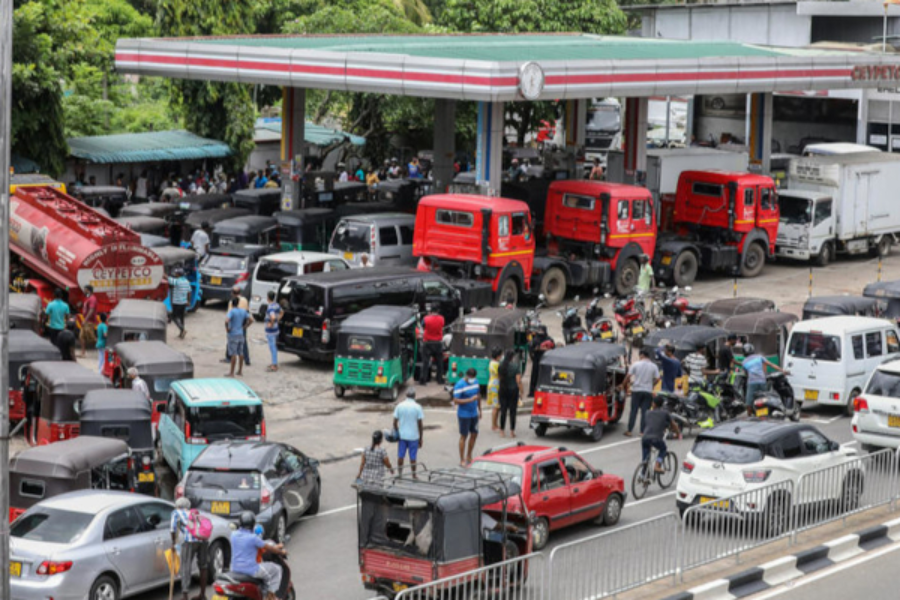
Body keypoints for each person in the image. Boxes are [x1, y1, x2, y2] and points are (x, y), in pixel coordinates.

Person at [230, 511, 285, 600]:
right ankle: (270, 596)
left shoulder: (233, 535)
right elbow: (269, 548)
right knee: (277, 569)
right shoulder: (254, 538)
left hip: (234, 569)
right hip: (251, 570)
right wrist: (281, 552)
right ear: (253, 525)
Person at [170, 497, 211, 600]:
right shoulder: (195, 513)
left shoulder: (176, 512)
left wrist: (173, 542)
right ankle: (202, 594)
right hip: (203, 540)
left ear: (178, 506)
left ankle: (185, 597)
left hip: (189, 541)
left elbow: (172, 529)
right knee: (203, 566)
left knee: (186, 567)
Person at [620, 348, 660, 436]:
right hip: (648, 391)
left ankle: (629, 431)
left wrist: (623, 385)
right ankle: (642, 432)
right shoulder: (654, 366)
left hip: (636, 390)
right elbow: (657, 378)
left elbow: (628, 376)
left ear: (642, 355)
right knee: (645, 412)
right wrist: (652, 385)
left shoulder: (636, 364)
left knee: (633, 411)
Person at [742, 343, 788, 414]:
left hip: (752, 383)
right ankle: (767, 413)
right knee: (765, 399)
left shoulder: (744, 362)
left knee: (748, 404)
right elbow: (771, 364)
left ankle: (749, 416)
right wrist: (783, 371)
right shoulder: (759, 357)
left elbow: (746, 374)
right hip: (762, 382)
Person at [641, 396, 681, 474]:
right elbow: (674, 425)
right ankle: (657, 465)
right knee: (663, 449)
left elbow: (651, 423)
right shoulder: (665, 413)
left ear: (654, 404)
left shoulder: (647, 412)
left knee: (645, 459)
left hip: (645, 438)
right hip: (656, 438)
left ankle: (643, 475)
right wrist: (677, 433)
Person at [453, 368, 481, 467]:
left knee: (474, 434)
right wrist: (469, 400)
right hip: (464, 414)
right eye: (470, 378)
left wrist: (480, 410)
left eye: (473, 378)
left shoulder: (476, 382)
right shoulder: (460, 385)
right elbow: (456, 400)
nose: (472, 379)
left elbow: (478, 396)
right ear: (467, 376)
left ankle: (469, 455)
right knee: (464, 436)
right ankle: (462, 459)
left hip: (474, 414)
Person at [393, 387, 424, 477]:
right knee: (413, 457)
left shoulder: (399, 406)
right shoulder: (418, 407)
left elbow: (394, 422)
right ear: (414, 396)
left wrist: (398, 432)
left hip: (402, 436)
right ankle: (414, 475)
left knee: (400, 456)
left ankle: (400, 474)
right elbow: (420, 425)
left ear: (406, 395)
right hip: (414, 437)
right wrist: (421, 438)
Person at [223, 286, 252, 366]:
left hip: (234, 321)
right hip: (243, 320)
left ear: (232, 293)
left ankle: (229, 357)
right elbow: (248, 312)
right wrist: (246, 325)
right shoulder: (245, 300)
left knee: (231, 341)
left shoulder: (231, 302)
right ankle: (246, 359)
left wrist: (227, 327)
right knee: (243, 341)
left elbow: (228, 317)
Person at [497, 349, 523, 438]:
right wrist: (521, 391)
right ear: (512, 357)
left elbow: (499, 377)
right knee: (513, 411)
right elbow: (518, 381)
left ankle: (502, 430)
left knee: (503, 410)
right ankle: (512, 431)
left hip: (503, 389)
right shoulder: (516, 366)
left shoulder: (501, 366)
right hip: (513, 390)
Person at [419, 305, 445, 385]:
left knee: (425, 362)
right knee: (439, 363)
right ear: (438, 311)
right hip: (438, 343)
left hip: (427, 343)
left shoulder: (426, 318)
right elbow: (442, 325)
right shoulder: (442, 318)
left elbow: (422, 326)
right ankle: (439, 379)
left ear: (430, 311)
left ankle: (423, 380)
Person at [226, 297, 251, 377]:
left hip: (233, 334)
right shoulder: (243, 311)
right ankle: (240, 371)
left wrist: (227, 328)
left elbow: (226, 320)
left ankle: (231, 372)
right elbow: (251, 319)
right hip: (241, 333)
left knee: (233, 353)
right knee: (240, 352)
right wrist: (245, 326)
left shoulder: (232, 311)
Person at [528, 327, 553, 397]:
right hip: (537, 360)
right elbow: (531, 349)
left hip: (546, 360)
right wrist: (537, 349)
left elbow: (553, 347)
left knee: (546, 376)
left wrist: (546, 349)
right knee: (535, 376)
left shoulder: (549, 339)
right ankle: (532, 392)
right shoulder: (535, 339)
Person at [168, 267, 192, 339]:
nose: (175, 274)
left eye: (176, 273)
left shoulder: (177, 281)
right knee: (181, 318)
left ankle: (182, 329)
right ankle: (181, 333)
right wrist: (188, 301)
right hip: (183, 303)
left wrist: (162, 273)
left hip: (177, 303)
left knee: (173, 316)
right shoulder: (187, 282)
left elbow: (168, 279)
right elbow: (189, 292)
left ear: (178, 274)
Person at [264, 290, 282, 372]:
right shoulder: (277, 305)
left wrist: (271, 323)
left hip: (271, 331)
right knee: (274, 346)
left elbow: (273, 317)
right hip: (276, 329)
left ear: (268, 297)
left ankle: (274, 364)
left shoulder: (270, 307)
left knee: (272, 347)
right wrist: (277, 320)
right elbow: (282, 312)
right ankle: (273, 362)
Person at [79, 285, 98, 358]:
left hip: (89, 321)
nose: (84, 291)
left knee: (91, 338)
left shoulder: (92, 299)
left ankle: (104, 348)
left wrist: (85, 320)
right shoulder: (87, 298)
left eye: (85, 290)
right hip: (86, 321)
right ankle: (83, 352)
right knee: (81, 336)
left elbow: (91, 310)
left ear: (89, 291)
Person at [487, 346, 502, 432]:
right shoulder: (496, 364)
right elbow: (499, 375)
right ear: (498, 356)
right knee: (495, 407)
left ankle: (496, 424)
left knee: (496, 406)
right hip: (495, 385)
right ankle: (494, 425)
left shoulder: (491, 362)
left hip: (492, 383)